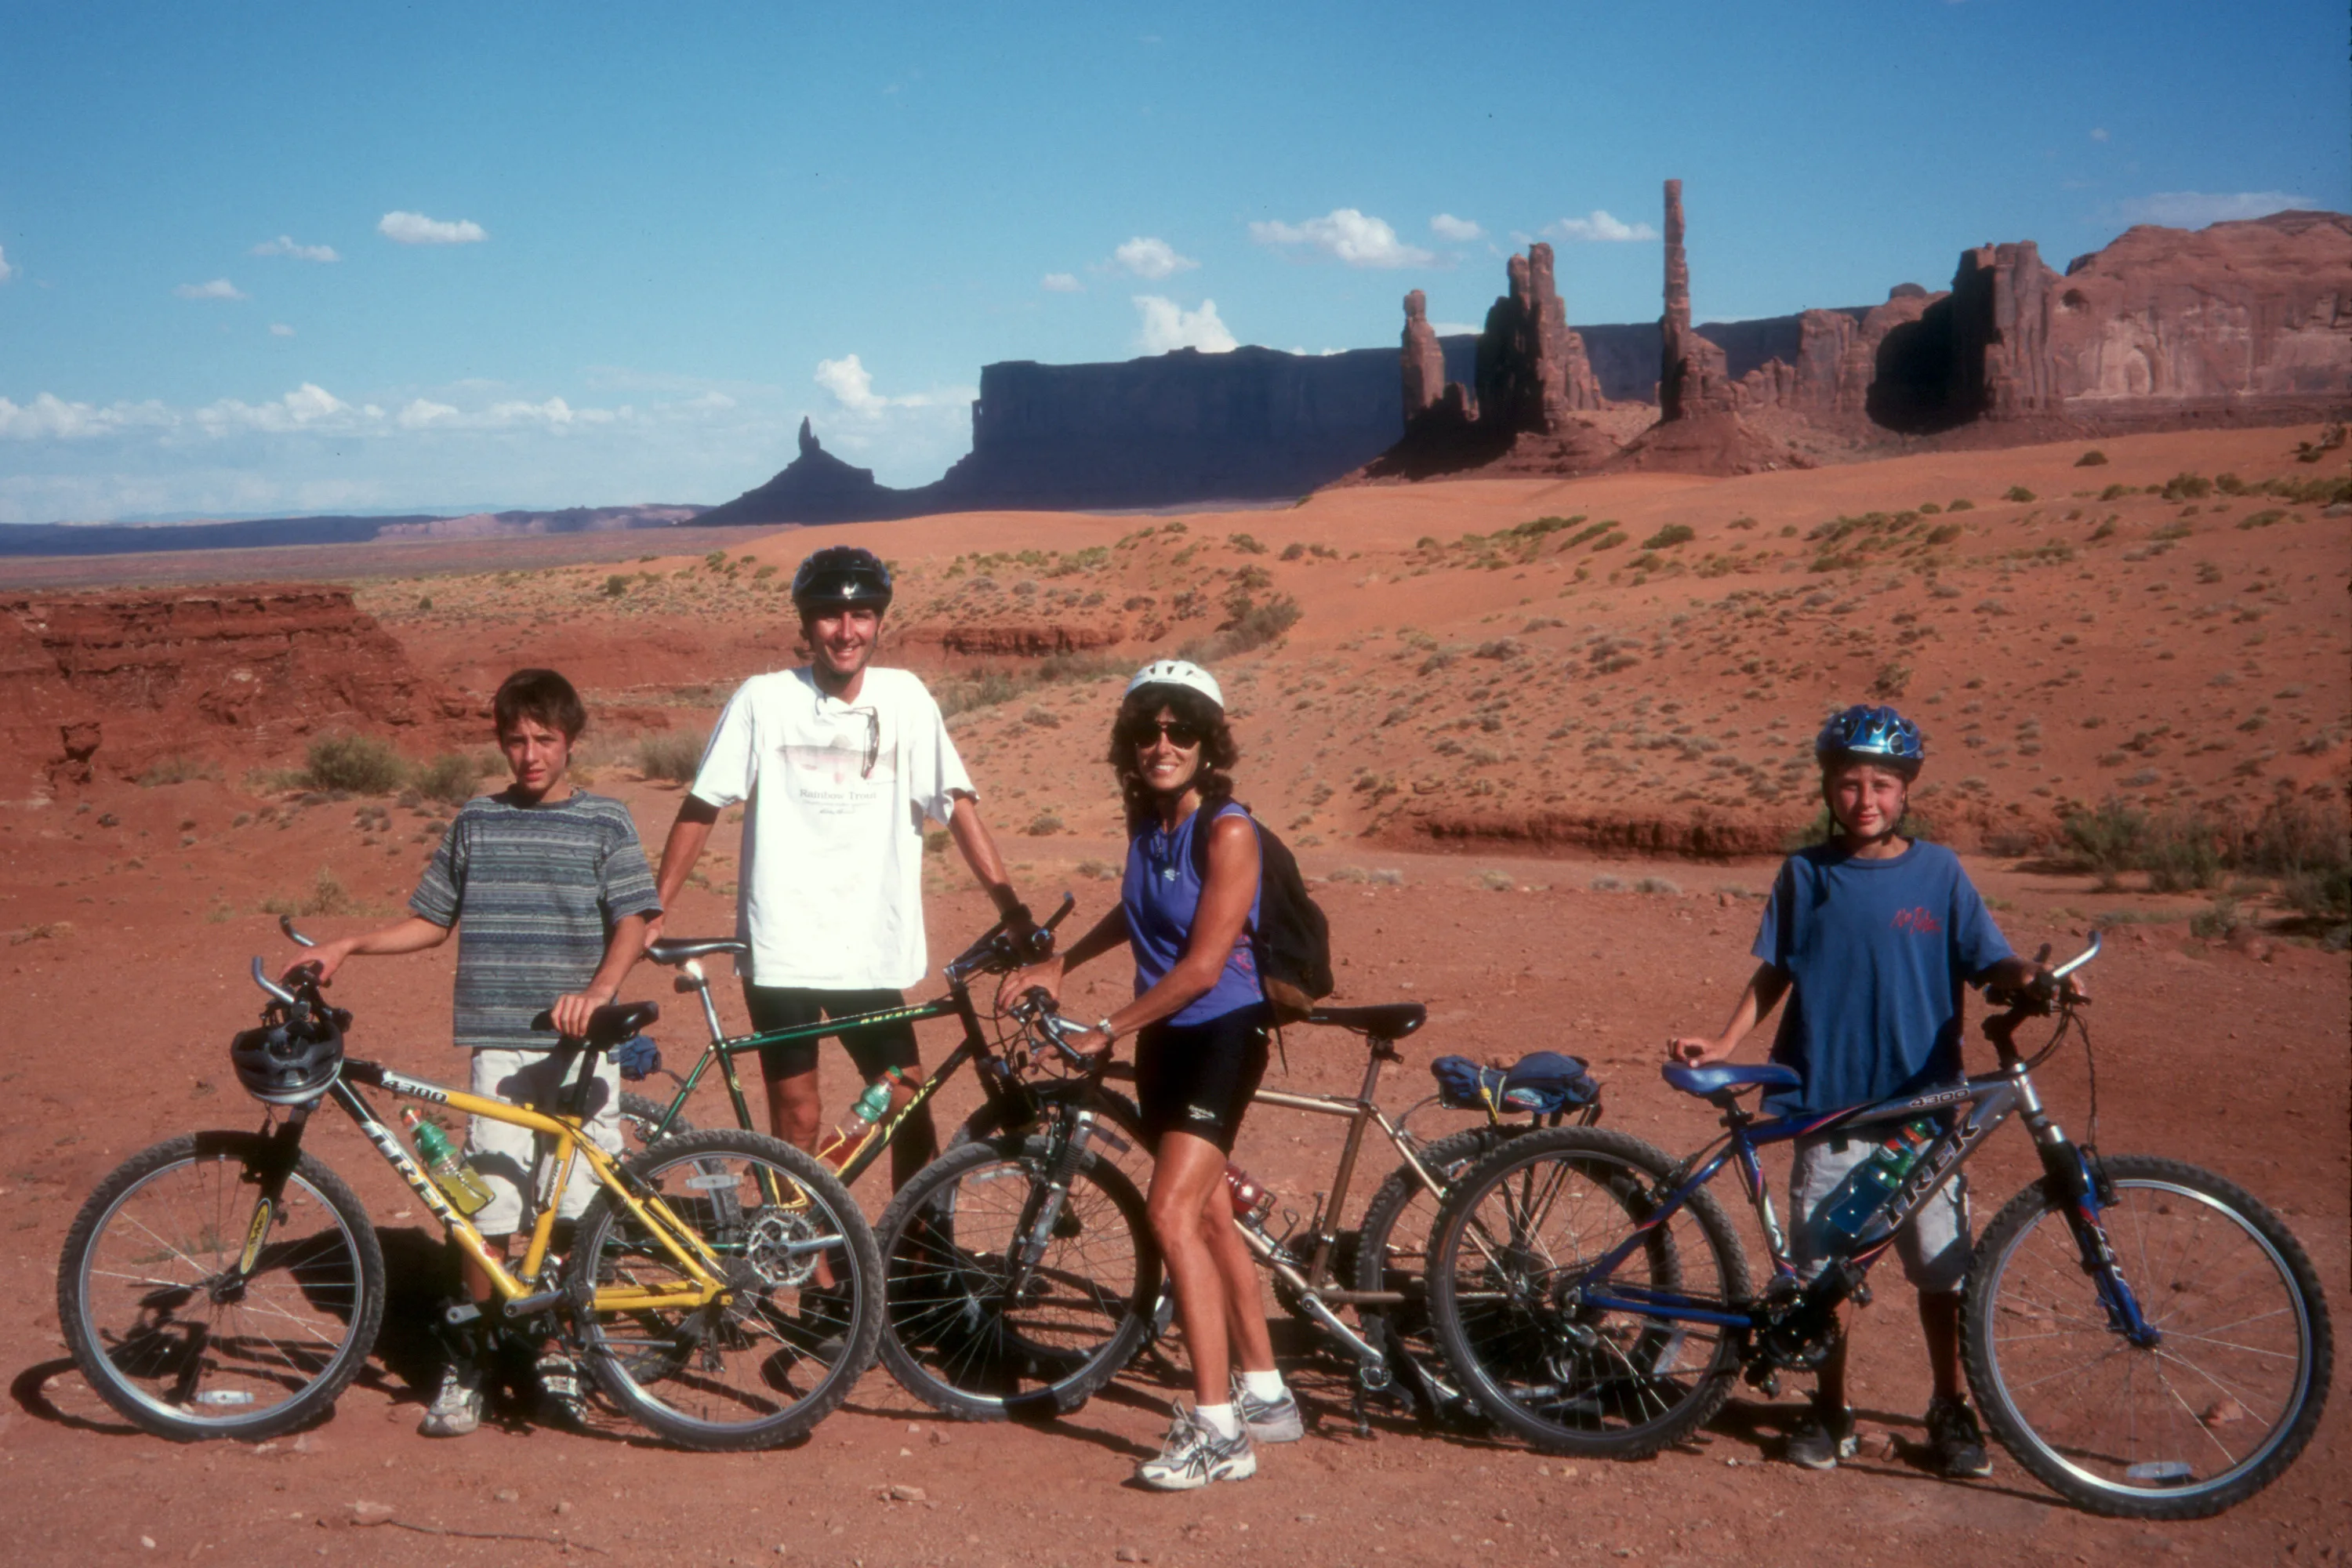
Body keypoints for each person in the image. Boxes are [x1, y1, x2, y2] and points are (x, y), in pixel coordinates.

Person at [1668, 703, 2070, 1479]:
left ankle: (1950, 1405)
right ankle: (1830, 1408)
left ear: (1906, 791)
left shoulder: (1940, 873)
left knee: (1941, 1274)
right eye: (1849, 783)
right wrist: (1724, 1043)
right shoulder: (1806, 874)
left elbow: (1989, 959)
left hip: (1925, 1109)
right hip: (1828, 1104)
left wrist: (2031, 975)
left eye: (1882, 784)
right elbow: (1775, 970)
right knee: (1826, 1278)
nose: (1865, 799)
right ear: (1828, 788)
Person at [293, 668, 660, 1437]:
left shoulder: (606, 819)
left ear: (571, 740)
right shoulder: (477, 820)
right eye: (516, 740)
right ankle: (471, 1360)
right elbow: (432, 920)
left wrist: (599, 990)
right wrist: (349, 943)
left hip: (583, 1048)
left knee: (579, 1213)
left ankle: (563, 1352)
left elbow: (635, 917)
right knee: (484, 1208)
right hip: (501, 1043)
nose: (530, 754)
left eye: (545, 739)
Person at [652, 544, 1033, 1192]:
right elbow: (702, 805)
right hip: (783, 947)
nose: (847, 631)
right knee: (797, 1118)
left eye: (862, 615)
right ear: (806, 624)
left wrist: (1013, 910)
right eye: (830, 615)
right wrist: (654, 908)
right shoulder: (763, 700)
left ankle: (908, 1244)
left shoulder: (906, 698)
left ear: (880, 621)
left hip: (867, 945)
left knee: (906, 1099)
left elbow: (957, 806)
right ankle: (802, 1247)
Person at [1003, 659, 1300, 1491]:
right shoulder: (1150, 824)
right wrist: (1064, 961)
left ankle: (1218, 1429)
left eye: (1180, 730)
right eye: (1147, 730)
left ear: (1209, 743)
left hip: (1221, 1034)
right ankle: (1267, 1394)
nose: (1162, 744)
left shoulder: (1228, 831)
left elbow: (1204, 966)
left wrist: (1109, 1027)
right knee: (1208, 1213)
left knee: (1169, 1214)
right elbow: (1137, 911)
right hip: (1166, 1035)